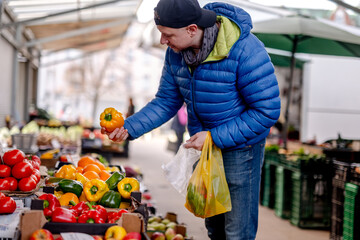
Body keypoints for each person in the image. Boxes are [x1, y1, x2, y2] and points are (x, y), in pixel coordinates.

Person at [102, 0, 281, 239]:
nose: (163, 41)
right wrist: (129, 126)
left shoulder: (245, 49)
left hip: (240, 149)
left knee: (237, 230)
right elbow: (167, 100)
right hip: (203, 148)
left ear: (192, 29)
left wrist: (214, 137)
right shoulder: (176, 54)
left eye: (168, 35)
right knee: (214, 227)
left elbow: (266, 110)